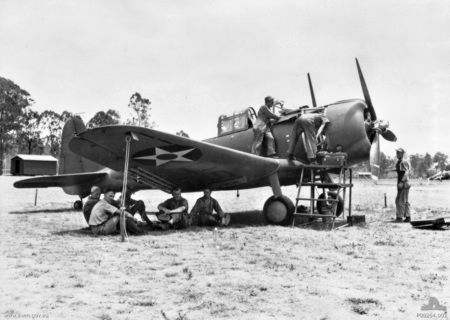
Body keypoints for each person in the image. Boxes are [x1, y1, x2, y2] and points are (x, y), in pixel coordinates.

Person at [395, 148, 411, 222]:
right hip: (404, 182)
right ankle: (408, 217)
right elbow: (401, 170)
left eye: (398, 152)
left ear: (402, 154)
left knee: (400, 200)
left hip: (403, 183)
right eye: (397, 152)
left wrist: (401, 182)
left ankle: (400, 217)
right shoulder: (400, 162)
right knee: (405, 200)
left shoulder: (403, 162)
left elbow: (406, 172)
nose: (397, 154)